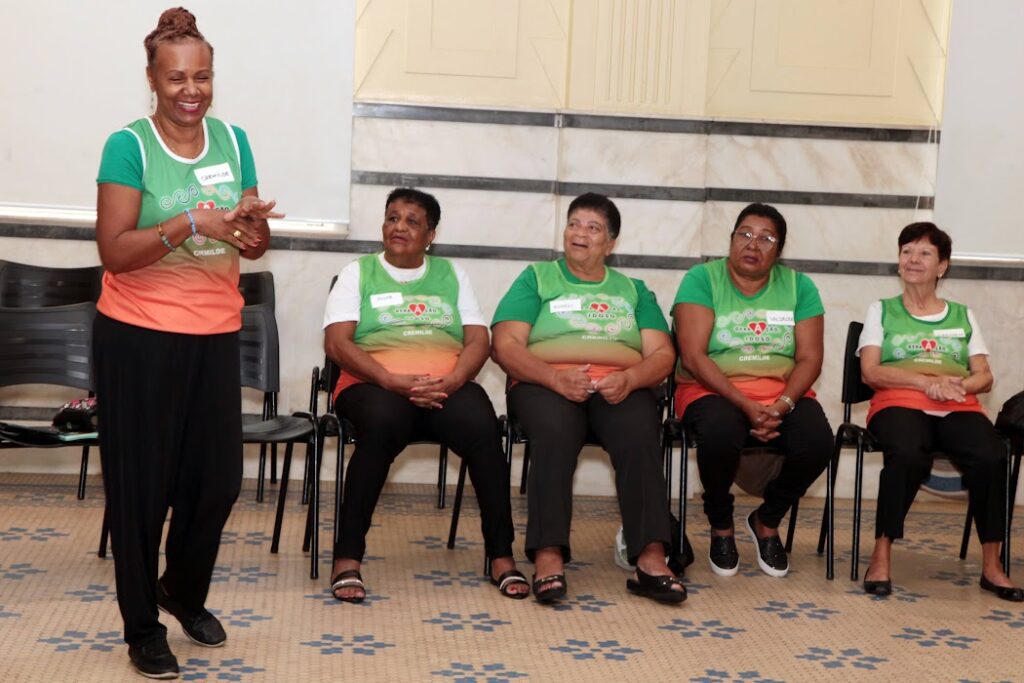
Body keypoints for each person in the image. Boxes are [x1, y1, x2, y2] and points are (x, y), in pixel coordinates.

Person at [94, 8, 282, 679]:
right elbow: (115, 252)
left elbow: (251, 243)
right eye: (176, 77)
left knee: (218, 483)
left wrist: (250, 225)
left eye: (201, 76)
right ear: (152, 78)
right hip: (138, 336)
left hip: (214, 333)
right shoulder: (129, 146)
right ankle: (142, 628)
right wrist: (189, 221)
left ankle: (179, 589)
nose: (190, 90)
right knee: (141, 491)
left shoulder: (234, 140)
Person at [323, 188, 528, 603]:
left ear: (430, 234)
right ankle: (347, 558)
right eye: (392, 217)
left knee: (483, 427)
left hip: (444, 385)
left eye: (411, 221)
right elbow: (337, 343)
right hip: (371, 384)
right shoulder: (357, 273)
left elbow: (478, 339)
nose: (399, 227)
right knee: (382, 425)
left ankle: (501, 556)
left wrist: (455, 379)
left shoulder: (452, 275)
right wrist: (388, 379)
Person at [491, 192, 685, 605]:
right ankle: (548, 554)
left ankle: (650, 558)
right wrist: (553, 377)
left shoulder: (633, 290)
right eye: (574, 223)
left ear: (610, 243)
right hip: (545, 383)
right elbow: (505, 345)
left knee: (639, 432)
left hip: (618, 385)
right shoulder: (537, 278)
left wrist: (631, 378)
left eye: (593, 228)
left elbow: (662, 355)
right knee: (555, 432)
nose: (580, 233)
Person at [858, 222, 1022, 601]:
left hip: (956, 405)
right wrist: (923, 382)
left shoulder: (962, 315)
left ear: (942, 266)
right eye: (907, 252)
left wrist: (956, 385)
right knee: (907, 454)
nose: (913, 259)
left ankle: (992, 566)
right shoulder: (881, 310)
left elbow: (984, 376)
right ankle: (881, 555)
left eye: (924, 253)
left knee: (991, 455)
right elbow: (870, 371)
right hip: (898, 403)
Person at [673, 203, 832, 579]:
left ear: (779, 250)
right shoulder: (702, 279)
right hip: (710, 391)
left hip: (781, 394)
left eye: (766, 238)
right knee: (720, 432)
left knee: (817, 441)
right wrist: (745, 404)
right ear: (731, 239)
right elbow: (693, 356)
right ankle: (721, 525)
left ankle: (767, 519)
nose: (753, 244)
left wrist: (782, 404)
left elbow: (810, 359)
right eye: (744, 234)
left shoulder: (799, 286)